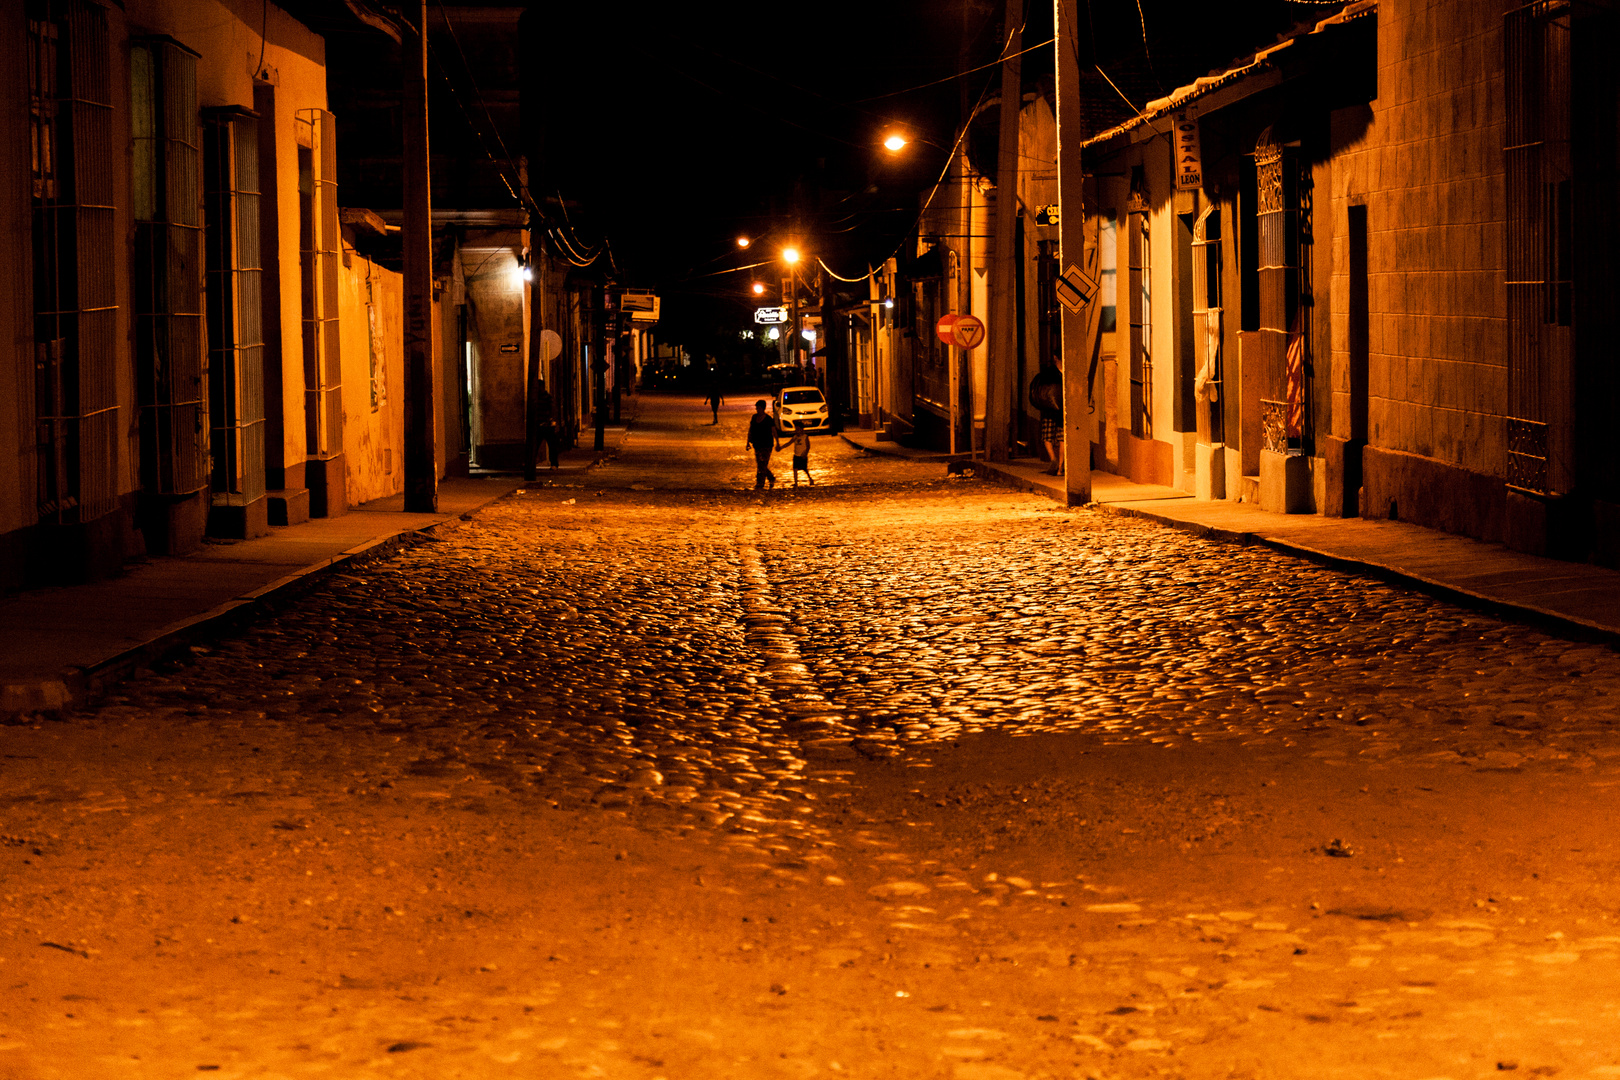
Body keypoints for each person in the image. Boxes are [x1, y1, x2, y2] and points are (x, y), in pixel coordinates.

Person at [1030, 364, 1064, 476]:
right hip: (1062, 411)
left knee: (1047, 436)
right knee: (1062, 438)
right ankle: (1060, 467)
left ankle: (1053, 458)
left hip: (1048, 411)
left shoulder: (1047, 373)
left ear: (1055, 358)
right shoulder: (1067, 373)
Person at [745, 399, 777, 490]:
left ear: (763, 408)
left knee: (762, 463)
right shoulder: (754, 417)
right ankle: (770, 477)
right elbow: (751, 429)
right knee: (760, 464)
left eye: (758, 408)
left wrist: (777, 442)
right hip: (757, 444)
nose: (757, 409)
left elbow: (773, 431)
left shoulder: (768, 419)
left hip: (767, 444)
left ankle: (760, 483)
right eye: (756, 408)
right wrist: (748, 441)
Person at [778, 419, 814, 487]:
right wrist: (781, 447)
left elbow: (808, 446)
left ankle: (810, 479)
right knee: (795, 469)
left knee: (804, 469)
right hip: (796, 455)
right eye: (796, 429)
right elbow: (789, 443)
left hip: (802, 455)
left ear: (802, 429)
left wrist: (805, 453)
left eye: (798, 429)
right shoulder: (795, 437)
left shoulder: (805, 437)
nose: (796, 431)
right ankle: (796, 483)